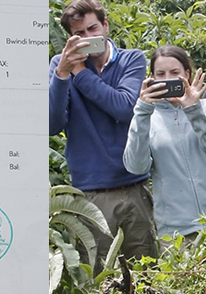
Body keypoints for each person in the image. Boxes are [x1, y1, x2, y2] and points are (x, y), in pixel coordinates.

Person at [49, 0, 158, 264]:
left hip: (134, 186)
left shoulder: (131, 59)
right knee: (98, 278)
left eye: (92, 28)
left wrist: (80, 73)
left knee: (148, 276)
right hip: (90, 192)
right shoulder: (59, 65)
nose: (88, 38)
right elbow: (52, 125)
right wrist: (63, 74)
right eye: (79, 34)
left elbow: (123, 108)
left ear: (105, 25)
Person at [123, 45, 206, 241]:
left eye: (174, 72)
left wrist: (193, 110)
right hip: (176, 232)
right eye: (160, 74)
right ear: (152, 79)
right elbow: (136, 167)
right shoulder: (147, 116)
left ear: (186, 74)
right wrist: (141, 111)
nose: (167, 80)